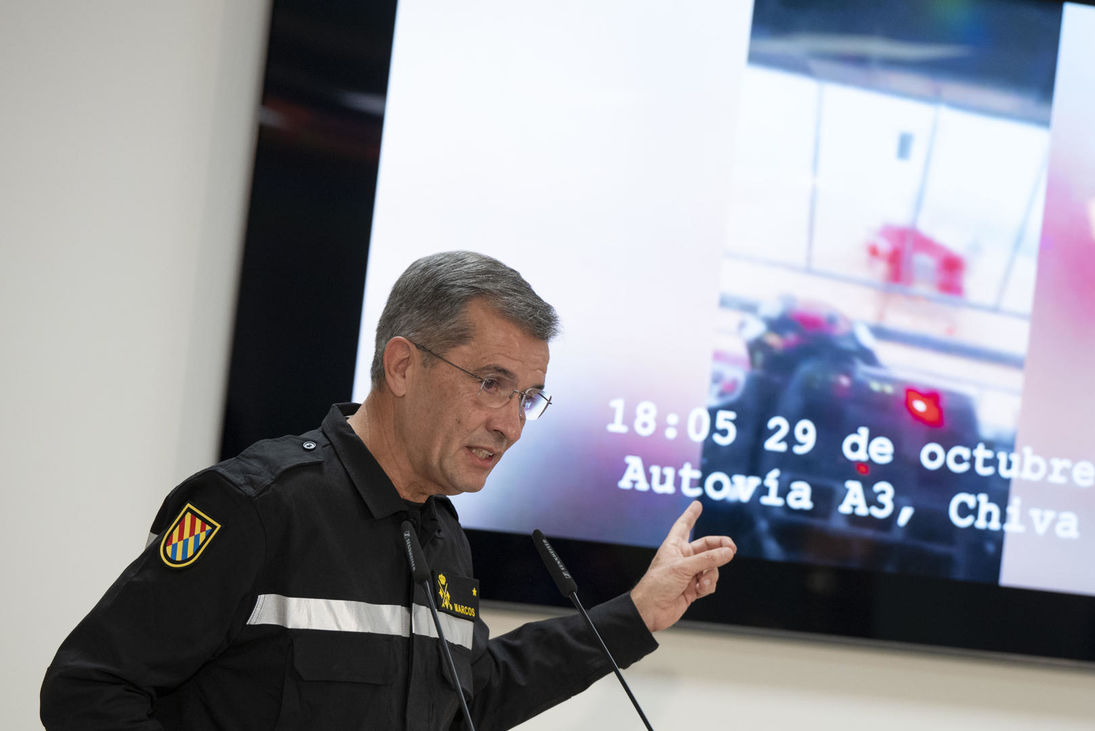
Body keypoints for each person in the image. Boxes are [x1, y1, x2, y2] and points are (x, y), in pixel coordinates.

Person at [41, 251, 737, 730]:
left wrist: (636, 613)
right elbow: (89, 688)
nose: (511, 424)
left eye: (529, 397)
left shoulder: (441, 533)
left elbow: (472, 693)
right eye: (492, 383)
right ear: (403, 364)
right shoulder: (258, 506)